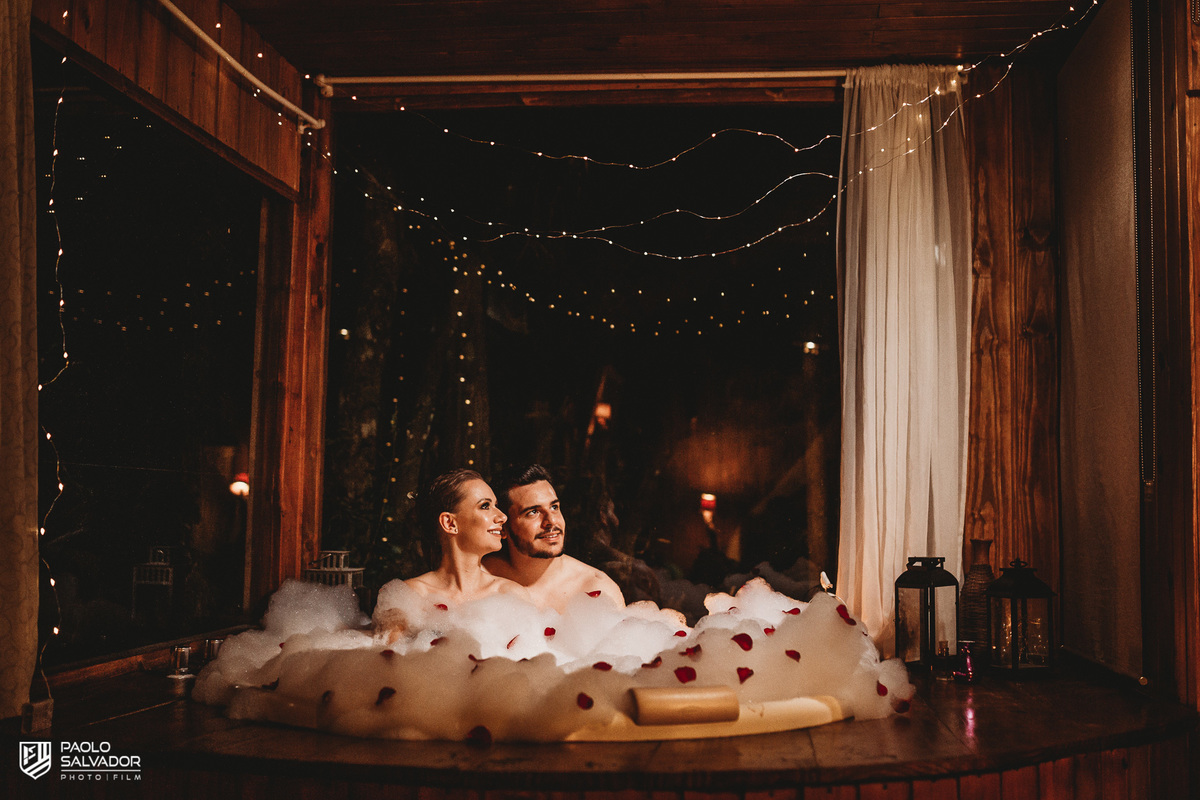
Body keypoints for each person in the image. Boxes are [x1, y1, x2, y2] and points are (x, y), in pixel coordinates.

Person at [483, 464, 625, 613]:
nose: (551, 521)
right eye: (533, 512)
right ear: (503, 527)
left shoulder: (598, 590)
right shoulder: (480, 579)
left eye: (554, 507)